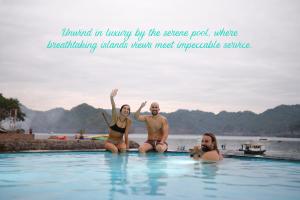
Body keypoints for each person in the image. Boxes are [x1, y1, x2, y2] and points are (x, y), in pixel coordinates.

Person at [104, 89, 132, 153]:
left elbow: (126, 135)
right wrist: (111, 97)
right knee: (115, 150)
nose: (126, 110)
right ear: (121, 110)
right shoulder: (115, 118)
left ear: (129, 112)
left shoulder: (128, 121)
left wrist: (127, 146)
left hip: (120, 142)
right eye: (124, 108)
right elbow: (113, 107)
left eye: (128, 109)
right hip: (110, 142)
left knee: (124, 150)